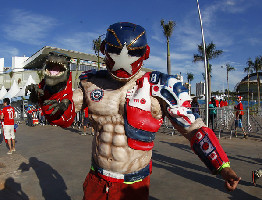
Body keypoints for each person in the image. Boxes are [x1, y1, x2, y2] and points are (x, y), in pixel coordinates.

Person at [29, 22, 240, 199]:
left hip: (134, 184)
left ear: (145, 53)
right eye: (115, 51)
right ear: (104, 49)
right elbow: (63, 116)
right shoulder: (92, 83)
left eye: (133, 52)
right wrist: (51, 92)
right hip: (97, 178)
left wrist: (222, 166)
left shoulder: (160, 87)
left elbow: (194, 129)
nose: (123, 59)